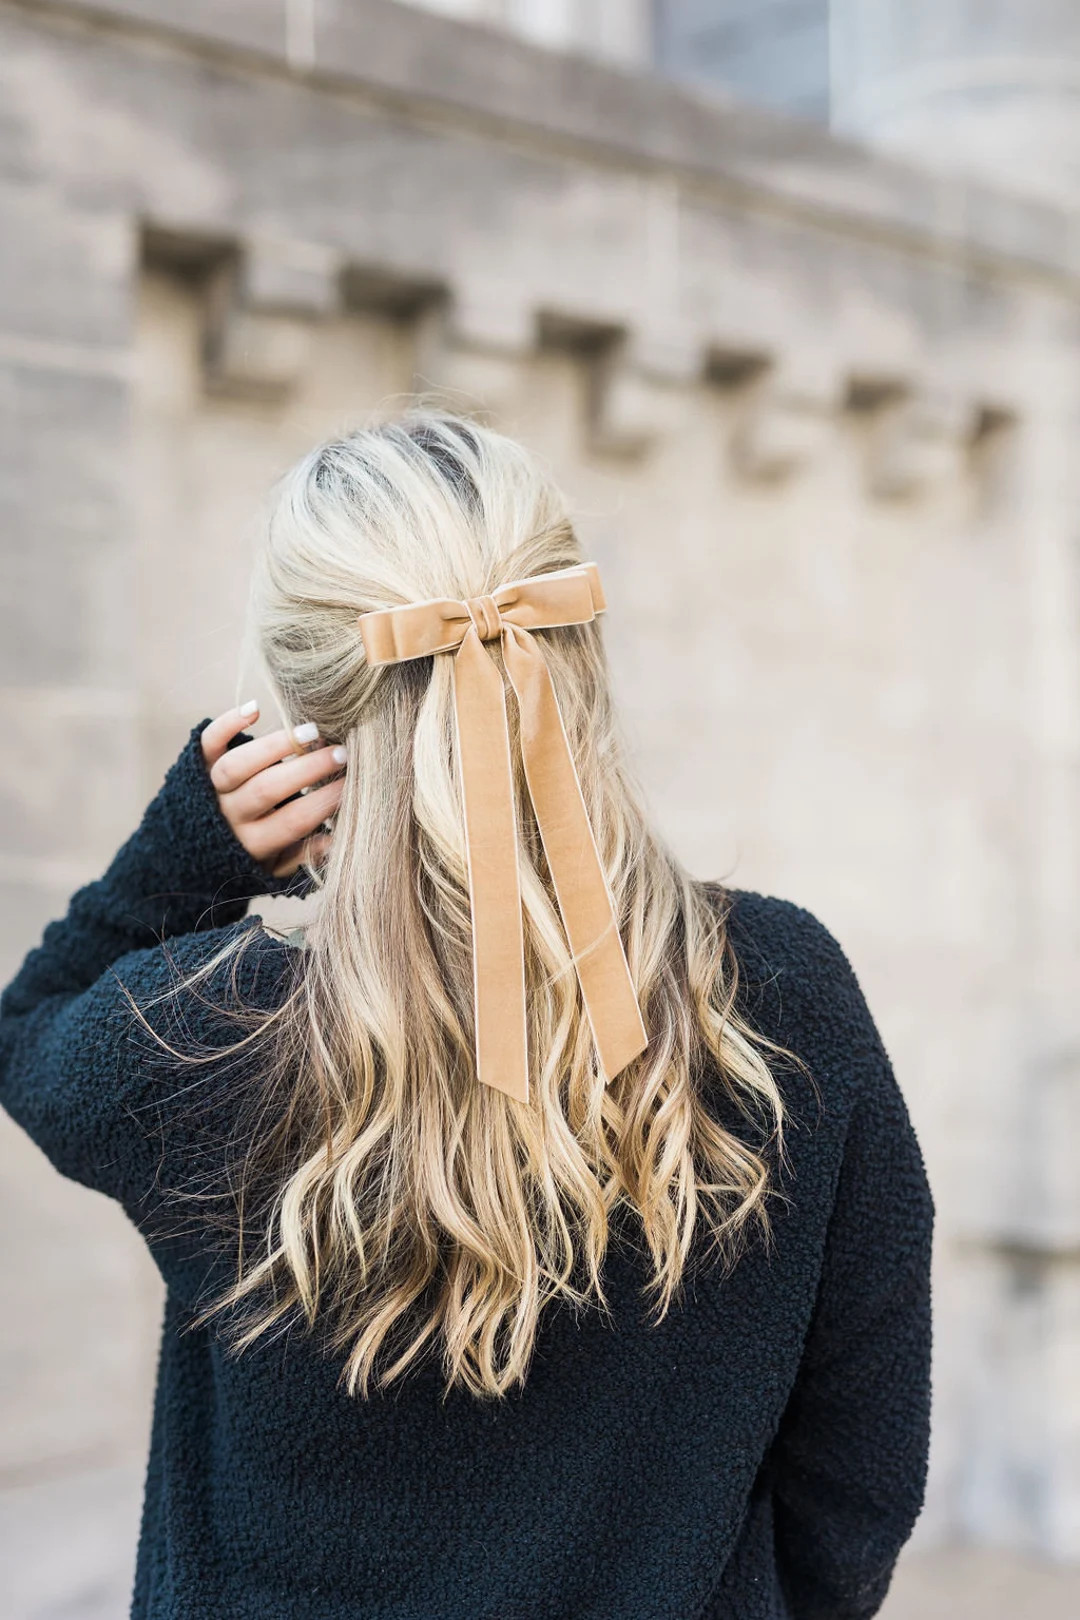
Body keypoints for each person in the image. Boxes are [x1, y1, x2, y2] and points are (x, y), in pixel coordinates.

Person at [0, 413, 933, 1620]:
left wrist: (182, 853)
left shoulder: (205, 1035)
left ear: (307, 711)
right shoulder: (782, 993)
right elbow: (859, 1478)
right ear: (578, 641)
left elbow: (31, 1035)